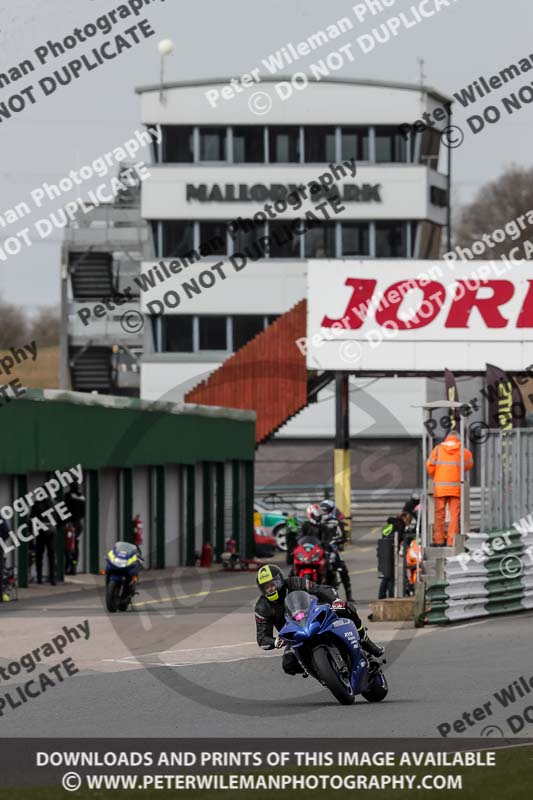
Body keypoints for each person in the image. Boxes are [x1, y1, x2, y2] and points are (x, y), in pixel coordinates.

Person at [254, 564, 383, 676]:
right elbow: (262, 639)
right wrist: (275, 641)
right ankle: (319, 670)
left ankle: (365, 640)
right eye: (266, 587)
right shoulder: (262, 607)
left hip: (314, 616)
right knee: (289, 664)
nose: (270, 589)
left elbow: (318, 589)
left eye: (273, 584)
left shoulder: (294, 582)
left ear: (281, 581)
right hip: (294, 634)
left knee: (347, 608)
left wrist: (334, 600)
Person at [426, 431, 473, 547]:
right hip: (456, 488)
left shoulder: (437, 449)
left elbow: (429, 466)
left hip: (440, 487)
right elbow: (469, 465)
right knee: (454, 516)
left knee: (439, 515)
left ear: (447, 439)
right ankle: (452, 542)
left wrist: (436, 475)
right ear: (458, 439)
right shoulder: (463, 450)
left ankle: (438, 541)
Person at [31, 499, 57, 585]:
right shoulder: (54, 503)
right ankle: (53, 578)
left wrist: (33, 531)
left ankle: (39, 578)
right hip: (52, 530)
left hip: (41, 531)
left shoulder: (37, 504)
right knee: (51, 555)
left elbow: (32, 517)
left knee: (39, 555)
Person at [64, 481, 86, 575]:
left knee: (68, 547)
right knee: (75, 546)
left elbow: (64, 510)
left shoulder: (67, 497)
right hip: (78, 524)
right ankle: (74, 567)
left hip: (70, 524)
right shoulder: (82, 497)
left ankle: (68, 566)